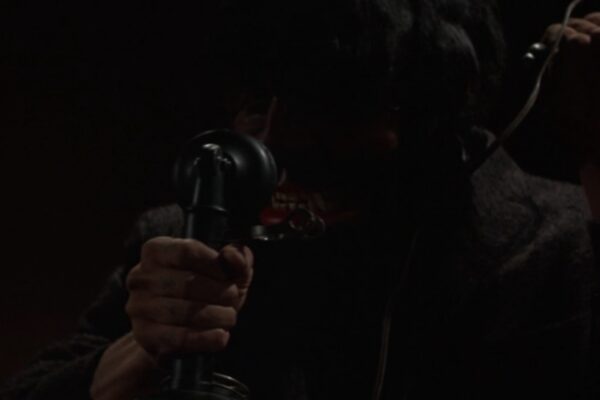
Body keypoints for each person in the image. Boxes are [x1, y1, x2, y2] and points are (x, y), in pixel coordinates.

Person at [3, 0, 600, 399]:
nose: (270, 140)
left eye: (323, 104)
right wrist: (143, 350)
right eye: (260, 98)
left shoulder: (550, 248)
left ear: (425, 110)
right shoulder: (188, 235)